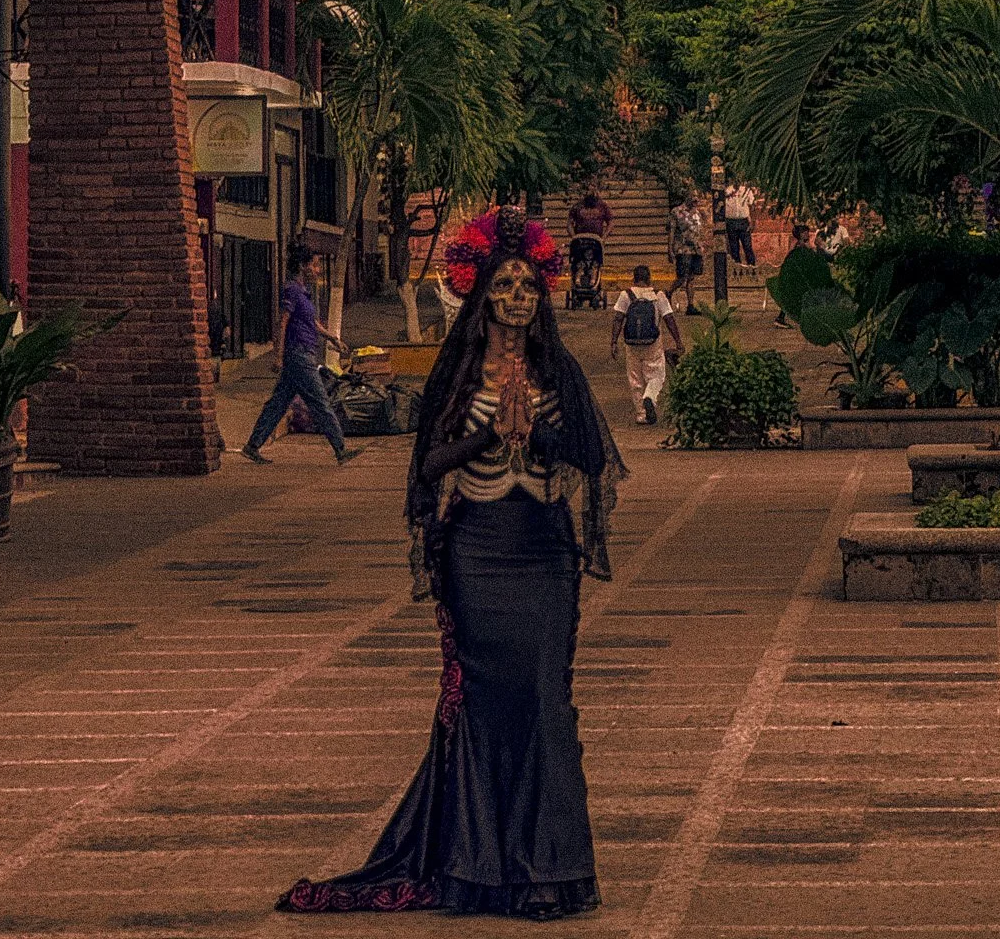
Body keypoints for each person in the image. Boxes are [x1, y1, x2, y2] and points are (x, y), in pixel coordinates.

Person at [277, 205, 625, 919]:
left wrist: (543, 435)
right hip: (477, 553)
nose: (517, 299)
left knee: (547, 704)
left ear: (542, 294)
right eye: (505, 286)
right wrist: (489, 436)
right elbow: (427, 465)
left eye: (528, 286)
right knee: (483, 708)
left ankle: (550, 868)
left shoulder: (560, 369)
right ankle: (476, 866)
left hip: (544, 552)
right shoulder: (459, 370)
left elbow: (592, 458)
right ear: (482, 293)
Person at [241, 250, 361, 467]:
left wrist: (332, 338)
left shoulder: (303, 293)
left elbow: (311, 323)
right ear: (302, 266)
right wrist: (278, 356)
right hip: (298, 355)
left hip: (302, 353)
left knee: (278, 402)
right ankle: (340, 449)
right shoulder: (292, 291)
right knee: (320, 401)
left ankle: (252, 445)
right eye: (314, 265)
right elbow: (282, 322)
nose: (317, 270)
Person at [610, 264, 682, 425]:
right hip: (653, 343)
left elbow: (618, 319)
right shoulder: (658, 295)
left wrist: (614, 342)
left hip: (632, 343)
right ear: (649, 278)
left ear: (633, 278)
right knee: (657, 374)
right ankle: (650, 396)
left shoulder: (626, 295)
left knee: (635, 378)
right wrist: (678, 341)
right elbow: (669, 319)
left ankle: (641, 414)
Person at [776, 221, 819, 327]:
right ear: (800, 234)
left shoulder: (804, 243)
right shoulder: (797, 244)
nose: (808, 234)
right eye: (805, 232)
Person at [668, 192, 705, 315]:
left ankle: (690, 305)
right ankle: (668, 292)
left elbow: (698, 230)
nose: (695, 202)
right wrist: (670, 248)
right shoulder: (676, 212)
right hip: (683, 248)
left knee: (692, 277)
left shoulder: (697, 213)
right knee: (682, 276)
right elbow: (672, 231)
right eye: (693, 199)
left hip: (696, 248)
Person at [724, 182, 757, 269]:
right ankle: (736, 268)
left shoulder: (746, 191)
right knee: (734, 247)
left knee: (747, 246)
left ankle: (752, 267)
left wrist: (752, 221)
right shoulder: (727, 191)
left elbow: (752, 205)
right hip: (731, 221)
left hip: (743, 221)